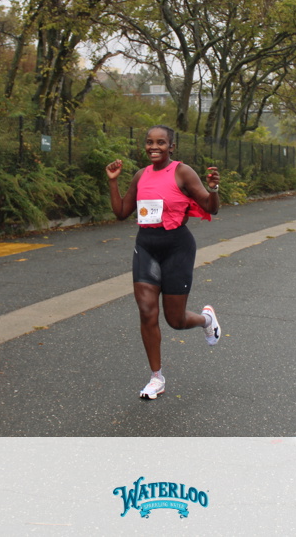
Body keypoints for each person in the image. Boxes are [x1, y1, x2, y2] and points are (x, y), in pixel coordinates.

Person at [106, 125, 221, 400]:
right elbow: (121, 212)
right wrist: (112, 181)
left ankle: (206, 319)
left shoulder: (182, 172)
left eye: (160, 142)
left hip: (177, 247)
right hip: (146, 246)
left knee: (175, 320)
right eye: (149, 142)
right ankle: (156, 378)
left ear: (171, 146)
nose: (153, 147)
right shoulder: (140, 175)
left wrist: (214, 189)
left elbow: (211, 207)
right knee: (147, 311)